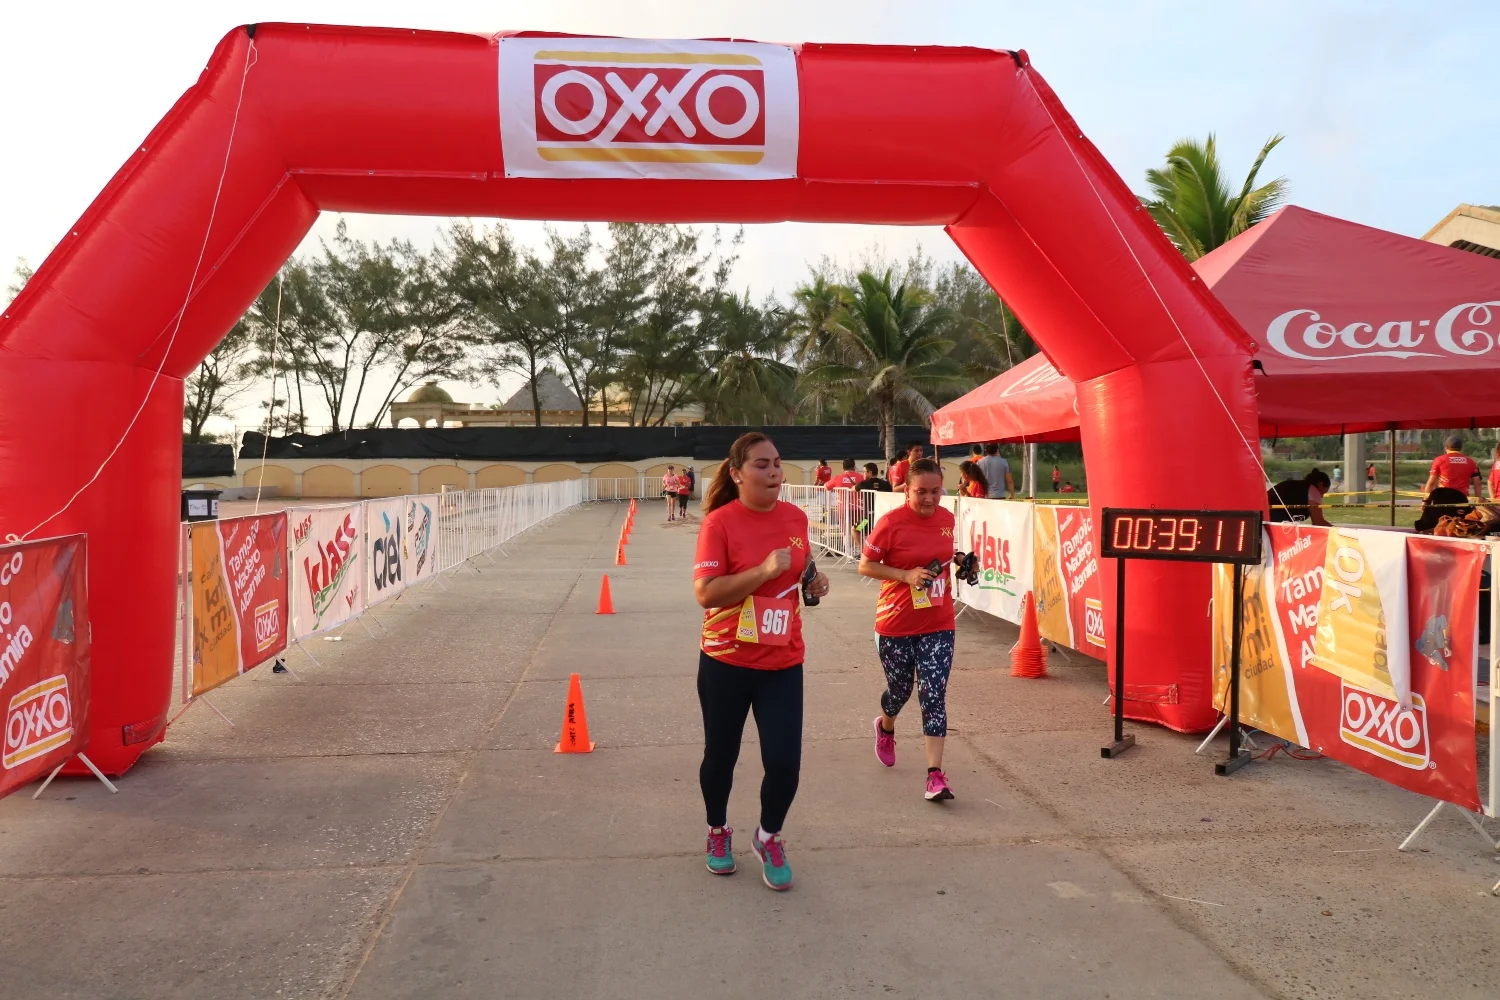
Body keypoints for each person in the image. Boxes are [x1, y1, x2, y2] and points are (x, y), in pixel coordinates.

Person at [693, 433, 830, 891]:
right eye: (761, 464)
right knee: (721, 757)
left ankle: (768, 836)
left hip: (782, 660)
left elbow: (801, 568)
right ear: (737, 473)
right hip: (726, 661)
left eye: (777, 463)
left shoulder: (795, 517)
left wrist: (813, 582)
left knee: (785, 764)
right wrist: (763, 571)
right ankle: (717, 831)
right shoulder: (719, 523)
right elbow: (706, 593)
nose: (774, 472)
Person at [858, 458, 958, 802]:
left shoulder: (947, 519)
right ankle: (885, 726)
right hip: (895, 624)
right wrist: (906, 575)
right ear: (906, 491)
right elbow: (865, 565)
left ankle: (935, 776)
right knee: (899, 692)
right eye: (921, 492)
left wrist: (961, 561)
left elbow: (943, 558)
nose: (929, 499)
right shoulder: (890, 523)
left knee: (933, 693)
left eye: (935, 491)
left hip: (939, 622)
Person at [1266, 469, 1332, 526]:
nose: (1322, 496)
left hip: (1265, 515)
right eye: (1323, 492)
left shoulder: (1294, 485)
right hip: (1274, 519)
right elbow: (1318, 522)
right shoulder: (1313, 491)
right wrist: (1336, 530)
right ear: (1321, 484)